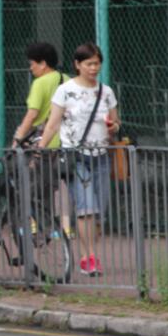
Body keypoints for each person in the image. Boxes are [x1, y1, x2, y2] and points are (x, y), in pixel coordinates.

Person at [37, 42, 120, 277]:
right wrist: (41, 148)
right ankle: (89, 257)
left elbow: (116, 121)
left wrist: (113, 126)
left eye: (97, 63)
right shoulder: (65, 90)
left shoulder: (106, 92)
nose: (93, 68)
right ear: (77, 65)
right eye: (89, 64)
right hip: (76, 156)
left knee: (98, 213)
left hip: (101, 155)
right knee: (86, 208)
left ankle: (90, 252)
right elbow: (52, 123)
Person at [11, 42, 65, 149]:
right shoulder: (67, 79)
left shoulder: (39, 83)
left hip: (43, 142)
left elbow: (32, 115)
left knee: (35, 166)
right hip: (65, 141)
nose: (30, 68)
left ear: (43, 64)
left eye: (32, 63)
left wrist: (18, 138)